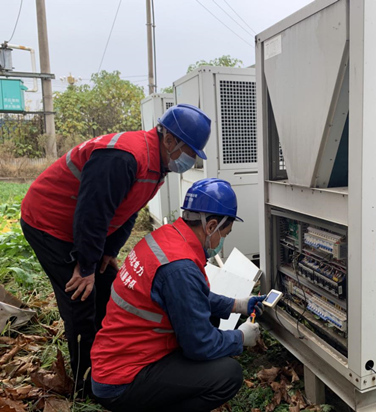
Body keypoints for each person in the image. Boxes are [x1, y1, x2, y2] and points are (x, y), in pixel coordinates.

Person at [19, 104, 211, 396]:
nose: (191, 159)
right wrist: (85, 267)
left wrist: (108, 252)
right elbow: (92, 212)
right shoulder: (124, 157)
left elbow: (127, 209)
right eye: (190, 151)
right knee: (80, 297)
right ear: (170, 139)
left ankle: (107, 361)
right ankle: (85, 384)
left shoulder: (156, 165)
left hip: (79, 225)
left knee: (108, 286)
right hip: (48, 222)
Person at [90, 178, 265, 412]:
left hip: (115, 358)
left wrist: (238, 305)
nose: (222, 240)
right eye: (225, 232)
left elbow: (188, 298)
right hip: (122, 382)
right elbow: (200, 345)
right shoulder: (180, 268)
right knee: (228, 375)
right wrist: (240, 338)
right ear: (211, 226)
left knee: (210, 319)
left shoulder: (166, 238)